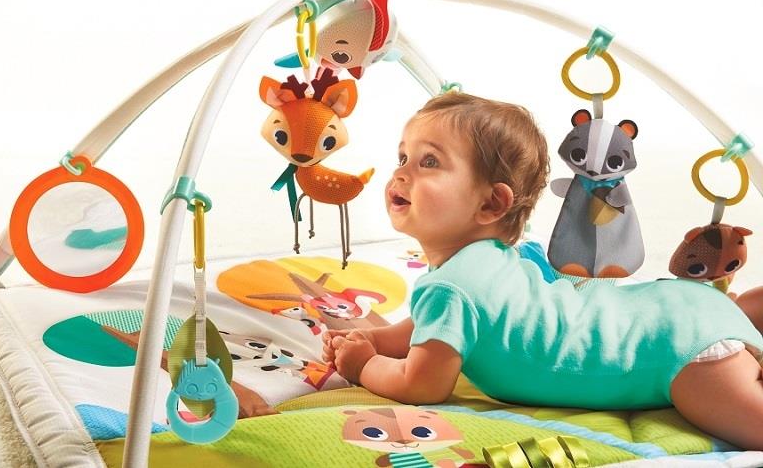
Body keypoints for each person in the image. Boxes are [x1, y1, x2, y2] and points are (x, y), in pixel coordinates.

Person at [321, 91, 763, 450]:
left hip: (678, 353)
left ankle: (740, 339)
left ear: (491, 203)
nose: (401, 174)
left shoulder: (452, 289)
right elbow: (437, 328)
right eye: (402, 157)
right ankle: (746, 313)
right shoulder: (488, 260)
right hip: (676, 305)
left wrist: (365, 364)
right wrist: (378, 338)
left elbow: (421, 385)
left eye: (429, 162)